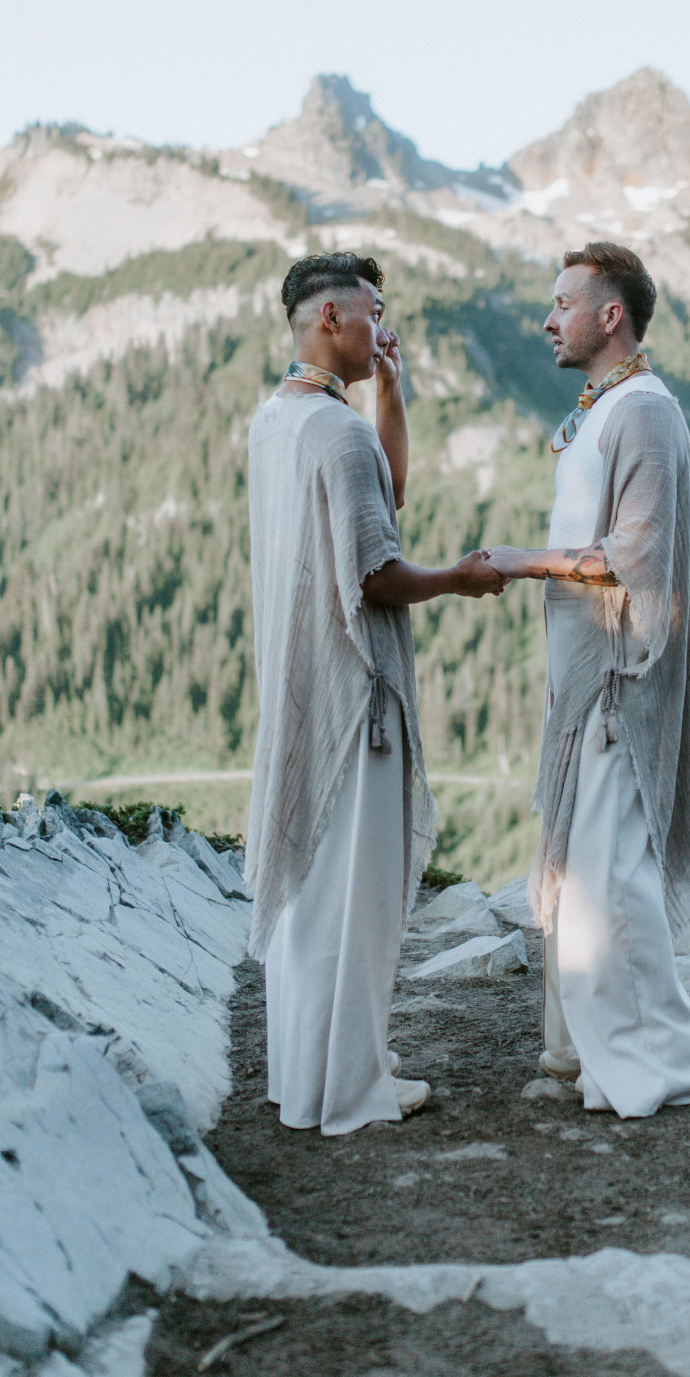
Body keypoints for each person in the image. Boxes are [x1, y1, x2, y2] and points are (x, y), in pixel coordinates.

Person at [245, 252, 503, 1136]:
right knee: (358, 897)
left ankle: (307, 1073)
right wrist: (458, 579)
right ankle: (350, 1088)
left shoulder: (277, 421)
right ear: (330, 317)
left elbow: (382, 496)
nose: (382, 328)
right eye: (374, 313)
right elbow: (377, 570)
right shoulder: (338, 433)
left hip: (300, 686)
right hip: (356, 688)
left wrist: (390, 390)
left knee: (312, 893)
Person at [483, 242, 690, 1117]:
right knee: (584, 871)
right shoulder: (608, 407)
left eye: (562, 303)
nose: (548, 320)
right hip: (588, 682)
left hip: (624, 679)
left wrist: (521, 561)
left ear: (610, 315)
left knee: (610, 881)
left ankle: (662, 1065)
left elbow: (635, 555)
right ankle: (583, 1051)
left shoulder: (645, 412)